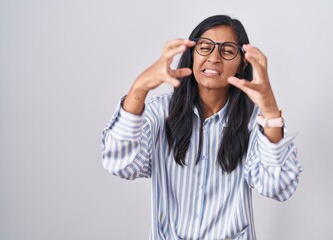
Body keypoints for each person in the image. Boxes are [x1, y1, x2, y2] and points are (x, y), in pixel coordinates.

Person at [101, 15, 302, 240]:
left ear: (242, 63)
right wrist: (140, 86)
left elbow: (278, 186)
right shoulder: (161, 112)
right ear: (192, 54)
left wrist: (271, 111)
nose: (214, 58)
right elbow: (119, 163)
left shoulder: (253, 121)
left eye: (227, 51)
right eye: (205, 47)